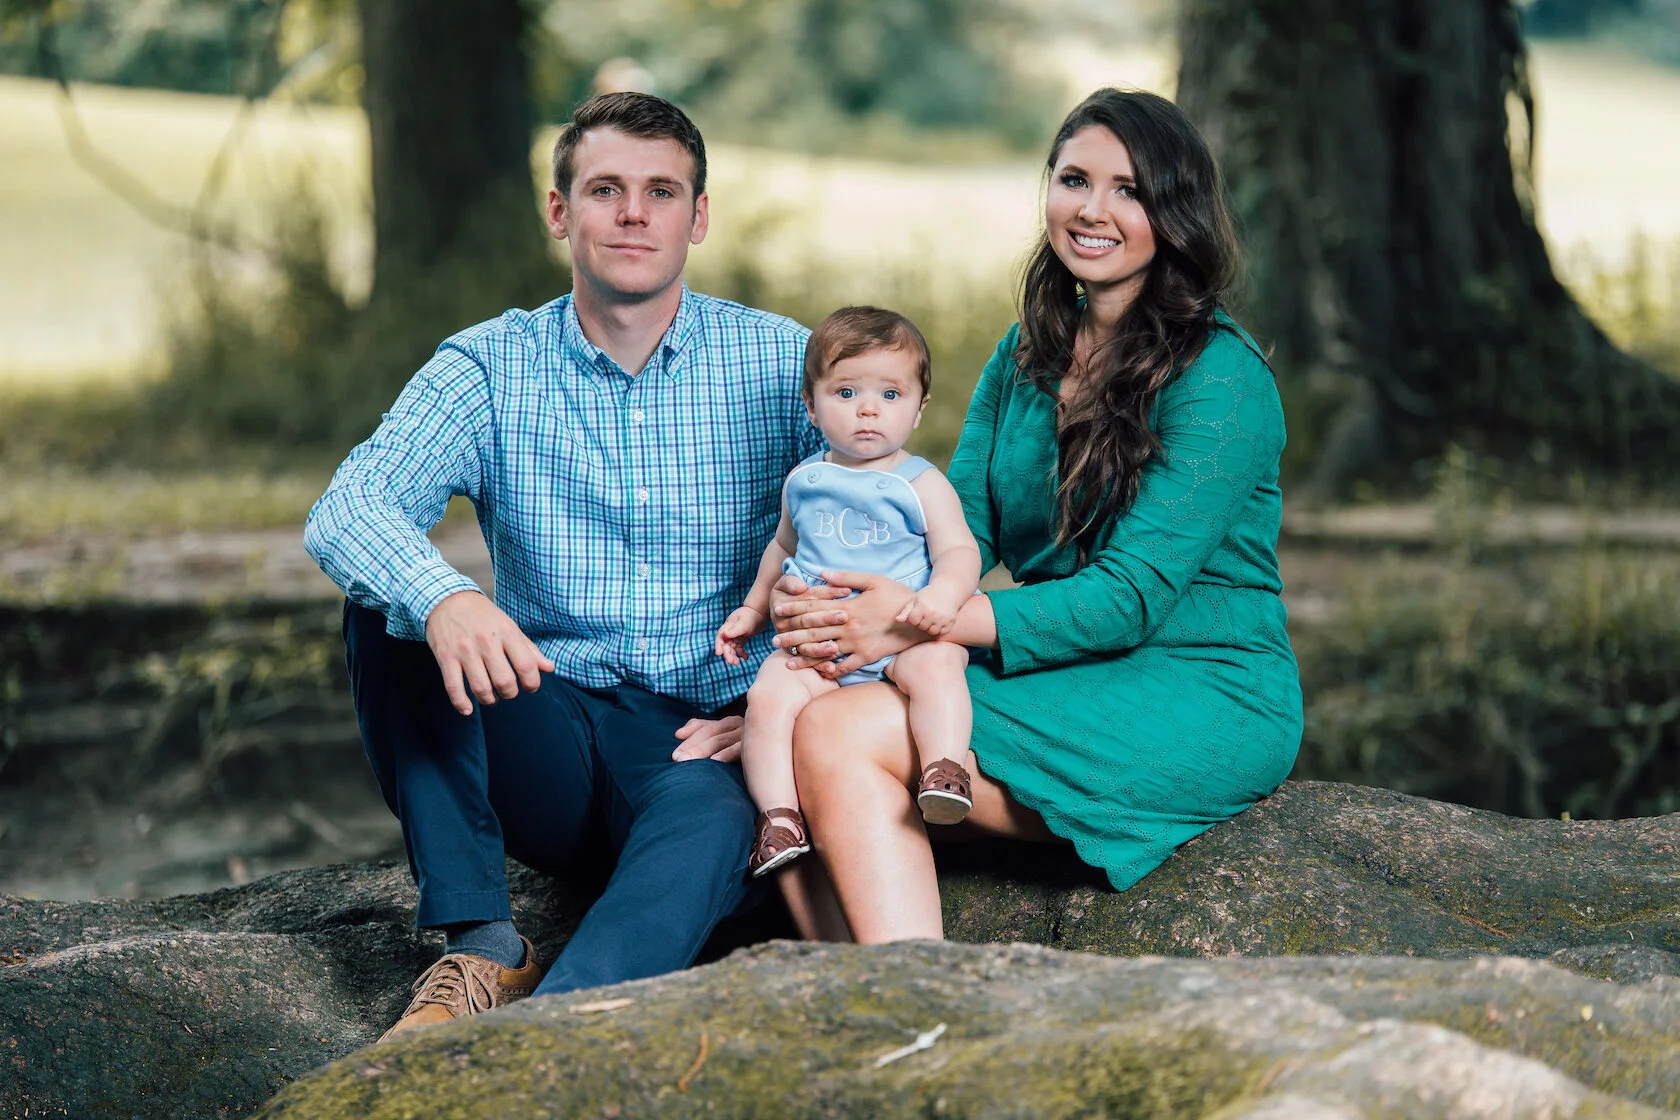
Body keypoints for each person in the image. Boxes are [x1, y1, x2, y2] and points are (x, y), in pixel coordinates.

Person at [710, 88, 1304, 943]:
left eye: (1129, 190)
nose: (1092, 210)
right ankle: (861, 998)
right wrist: (840, 622)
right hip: (1058, 662)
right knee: (803, 719)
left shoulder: (1223, 378)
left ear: (1176, 213)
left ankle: (914, 994)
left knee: (841, 733)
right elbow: (962, 527)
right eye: (1075, 180)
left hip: (1196, 681)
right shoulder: (1028, 350)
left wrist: (911, 625)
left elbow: (1129, 599)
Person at [303, 91, 821, 1040]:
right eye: (605, 189)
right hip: (544, 720)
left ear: (698, 217)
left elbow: (876, 547)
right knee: (390, 608)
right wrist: (447, 597)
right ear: (559, 211)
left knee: (714, 827)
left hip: (702, 738)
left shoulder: (784, 363)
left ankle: (546, 1042)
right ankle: (482, 944)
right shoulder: (489, 365)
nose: (634, 214)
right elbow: (349, 509)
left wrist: (786, 707)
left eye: (661, 192)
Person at [714, 307, 981, 878]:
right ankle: (779, 817)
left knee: (939, 667)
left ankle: (944, 769)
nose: (868, 409)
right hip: (820, 650)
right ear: (811, 407)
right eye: (846, 392)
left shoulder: (920, 484)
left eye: (890, 394)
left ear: (919, 407)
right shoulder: (805, 480)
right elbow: (781, 548)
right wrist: (753, 608)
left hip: (902, 637)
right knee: (767, 697)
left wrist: (943, 597)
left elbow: (960, 551)